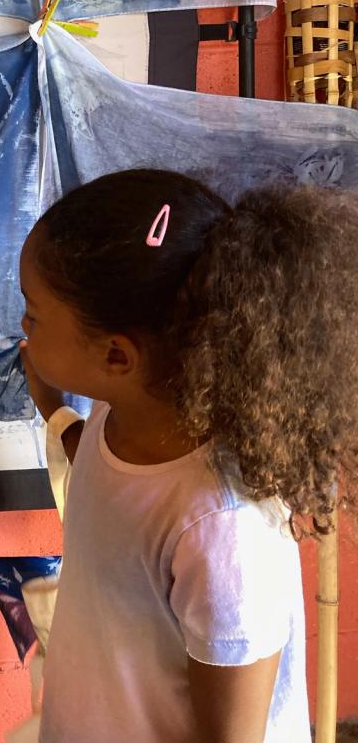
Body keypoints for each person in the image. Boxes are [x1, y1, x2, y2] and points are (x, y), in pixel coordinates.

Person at [18, 168, 358, 743]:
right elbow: (111, 483)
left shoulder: (221, 531)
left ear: (117, 355)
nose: (22, 327)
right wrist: (53, 410)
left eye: (32, 313)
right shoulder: (125, 410)